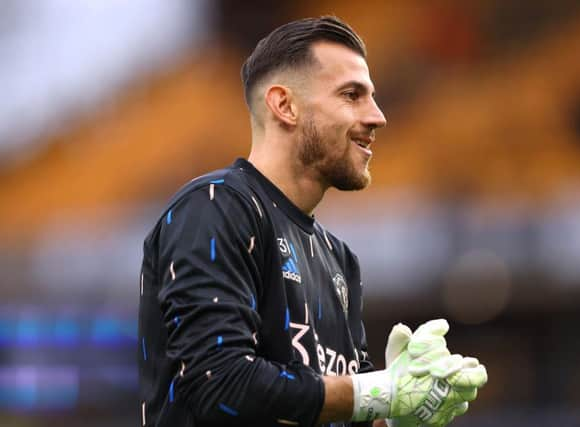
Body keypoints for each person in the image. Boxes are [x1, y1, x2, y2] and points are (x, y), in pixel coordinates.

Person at [138, 16, 486, 427]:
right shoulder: (215, 208)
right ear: (285, 106)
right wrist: (380, 392)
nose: (378, 117)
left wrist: (395, 416)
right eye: (352, 95)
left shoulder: (340, 259)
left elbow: (344, 409)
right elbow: (221, 383)